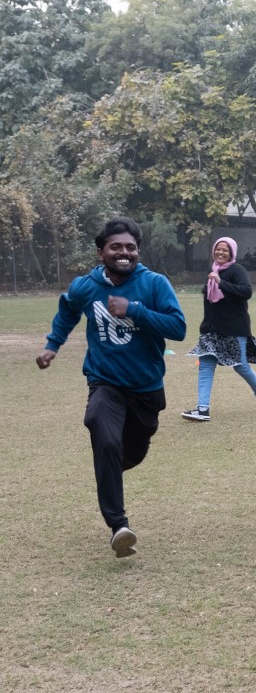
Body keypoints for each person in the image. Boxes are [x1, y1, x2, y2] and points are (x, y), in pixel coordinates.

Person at [36, 217, 187, 557]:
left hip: (146, 387)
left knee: (129, 453)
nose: (124, 253)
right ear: (101, 252)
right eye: (115, 247)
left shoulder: (154, 284)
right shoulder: (86, 286)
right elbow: (68, 310)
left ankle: (110, 469)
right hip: (105, 381)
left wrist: (134, 310)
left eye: (130, 247)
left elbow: (177, 328)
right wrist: (52, 345)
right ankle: (119, 525)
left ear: (138, 252)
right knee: (101, 431)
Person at [181, 236, 256, 421]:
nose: (220, 252)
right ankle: (202, 409)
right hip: (211, 329)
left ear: (232, 253)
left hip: (234, 328)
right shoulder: (213, 270)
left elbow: (246, 292)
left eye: (225, 250)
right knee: (206, 365)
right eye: (218, 249)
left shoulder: (237, 270)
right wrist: (205, 326)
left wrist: (221, 282)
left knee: (240, 366)